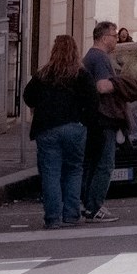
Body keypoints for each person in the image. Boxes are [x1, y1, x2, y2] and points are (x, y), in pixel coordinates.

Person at [23, 35, 98, 229]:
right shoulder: (82, 75)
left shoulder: (43, 74)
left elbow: (28, 97)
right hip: (74, 127)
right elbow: (93, 103)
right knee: (74, 170)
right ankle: (71, 214)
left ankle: (52, 217)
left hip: (47, 128)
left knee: (50, 173)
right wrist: (85, 122)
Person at [80, 22, 122, 224]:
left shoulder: (91, 56)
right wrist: (121, 84)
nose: (116, 39)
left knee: (93, 163)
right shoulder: (100, 58)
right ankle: (95, 206)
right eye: (114, 35)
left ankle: (89, 205)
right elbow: (102, 86)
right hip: (104, 118)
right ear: (104, 38)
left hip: (93, 119)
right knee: (105, 164)